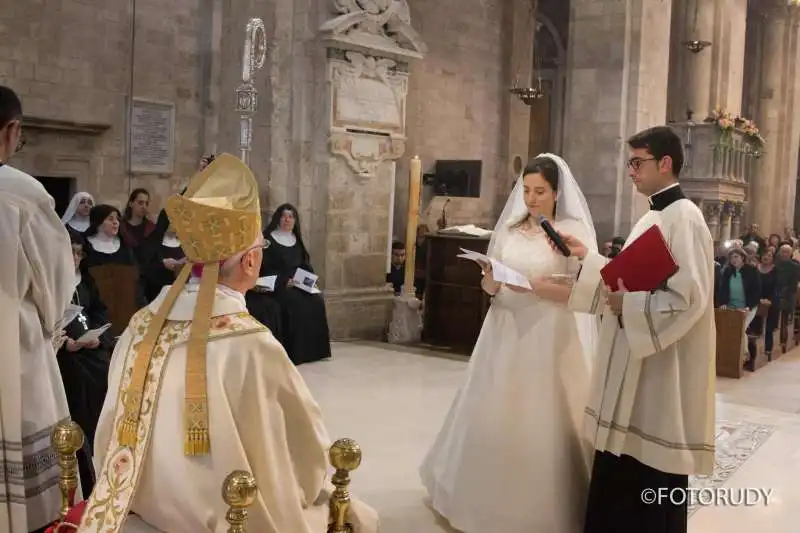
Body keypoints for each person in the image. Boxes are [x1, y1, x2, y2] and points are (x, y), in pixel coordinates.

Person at [70, 153, 378, 533]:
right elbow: (306, 450)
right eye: (260, 251)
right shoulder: (252, 344)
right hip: (229, 513)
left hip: (141, 501)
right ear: (250, 263)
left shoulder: (140, 324)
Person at [419, 154, 599, 533]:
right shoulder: (512, 229)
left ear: (556, 193)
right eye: (527, 190)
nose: (532, 199)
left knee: (542, 412)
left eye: (540, 192)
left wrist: (528, 285)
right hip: (503, 326)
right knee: (491, 403)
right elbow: (492, 286)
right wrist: (490, 278)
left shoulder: (570, 231)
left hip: (547, 331)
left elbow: (576, 291)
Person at [554, 126, 715, 533]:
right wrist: (587, 258)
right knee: (621, 465)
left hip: (659, 369)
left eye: (637, 162)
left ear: (665, 163)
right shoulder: (653, 216)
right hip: (631, 360)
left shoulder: (686, 218)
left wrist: (629, 304)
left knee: (648, 471)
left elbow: (688, 300)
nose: (631, 171)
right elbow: (626, 277)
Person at [0, 85, 75, 533]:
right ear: (11, 130)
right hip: (13, 337)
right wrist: (50, 327)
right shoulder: (22, 193)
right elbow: (56, 281)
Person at [57, 232, 114, 496]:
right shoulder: (53, 281)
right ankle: (83, 445)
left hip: (89, 348)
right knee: (79, 379)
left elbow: (98, 310)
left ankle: (101, 439)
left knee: (105, 369)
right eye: (71, 252)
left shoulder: (87, 282)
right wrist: (66, 342)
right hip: (66, 353)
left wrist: (97, 337)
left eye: (79, 253)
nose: (76, 258)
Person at [259, 203, 332, 365]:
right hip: (279, 285)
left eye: (291, 216)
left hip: (297, 282)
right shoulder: (268, 240)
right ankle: (296, 353)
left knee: (316, 301)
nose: (287, 219)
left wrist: (309, 281)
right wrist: (284, 281)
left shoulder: (296, 240)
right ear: (278, 218)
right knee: (294, 302)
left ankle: (314, 352)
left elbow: (304, 264)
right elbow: (264, 267)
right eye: (284, 216)